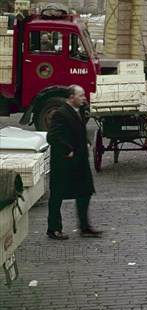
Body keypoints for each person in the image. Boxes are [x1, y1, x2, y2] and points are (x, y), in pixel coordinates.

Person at [46, 84, 101, 240]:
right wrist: (67, 149)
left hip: (80, 162)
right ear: (71, 98)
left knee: (84, 192)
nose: (84, 98)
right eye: (81, 95)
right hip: (64, 163)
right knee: (57, 195)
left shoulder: (80, 111)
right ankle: (53, 228)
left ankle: (85, 227)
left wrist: (87, 141)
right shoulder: (60, 114)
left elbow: (79, 130)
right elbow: (52, 137)